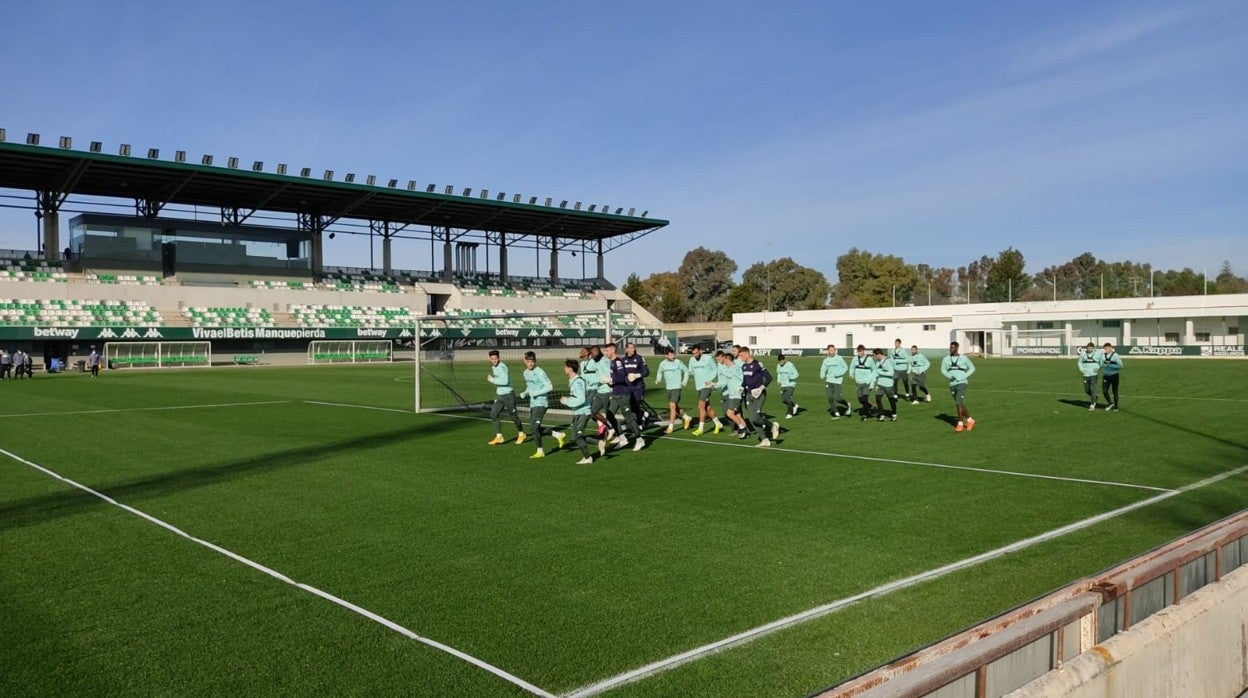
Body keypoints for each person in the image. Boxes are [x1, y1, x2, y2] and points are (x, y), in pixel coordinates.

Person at [519, 351, 565, 459]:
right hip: (533, 403)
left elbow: (549, 387)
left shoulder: (539, 372)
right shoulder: (525, 373)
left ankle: (540, 451)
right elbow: (530, 386)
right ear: (524, 361)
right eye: (528, 361)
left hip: (541, 403)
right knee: (534, 427)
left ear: (535, 361)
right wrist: (525, 392)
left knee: (534, 428)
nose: (530, 364)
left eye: (532, 361)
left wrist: (535, 393)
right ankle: (557, 435)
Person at [560, 358, 603, 464]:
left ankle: (588, 458)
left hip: (583, 412)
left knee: (577, 436)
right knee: (575, 437)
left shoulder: (578, 381)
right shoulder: (572, 380)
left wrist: (566, 401)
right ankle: (598, 443)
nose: (564, 369)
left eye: (565, 367)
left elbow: (581, 399)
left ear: (570, 369)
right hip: (577, 412)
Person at [604, 343, 644, 451]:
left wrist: (611, 380)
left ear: (613, 350)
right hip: (616, 393)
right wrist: (609, 382)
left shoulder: (617, 362)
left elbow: (622, 378)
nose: (605, 353)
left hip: (623, 394)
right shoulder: (612, 362)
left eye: (607, 351)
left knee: (628, 418)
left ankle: (639, 439)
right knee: (609, 414)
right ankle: (622, 438)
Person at [739, 346, 779, 447]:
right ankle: (765, 439)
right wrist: (741, 387)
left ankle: (772, 425)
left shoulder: (757, 364)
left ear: (747, 354)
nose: (740, 357)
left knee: (755, 417)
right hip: (748, 395)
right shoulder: (743, 366)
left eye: (742, 355)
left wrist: (761, 388)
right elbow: (745, 381)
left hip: (759, 394)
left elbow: (769, 378)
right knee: (752, 419)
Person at [485, 349, 525, 445]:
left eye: (495, 358)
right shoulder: (494, 367)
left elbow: (505, 382)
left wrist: (492, 380)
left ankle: (521, 433)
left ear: (499, 358)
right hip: (500, 396)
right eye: (492, 359)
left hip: (508, 395)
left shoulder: (503, 367)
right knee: (493, 414)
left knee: (514, 416)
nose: (494, 360)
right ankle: (499, 437)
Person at [582, 345, 617, 439]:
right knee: (593, 411)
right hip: (599, 391)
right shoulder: (596, 362)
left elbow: (610, 376)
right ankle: (610, 428)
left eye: (592, 353)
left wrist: (602, 381)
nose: (591, 355)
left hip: (607, 391)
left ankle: (618, 434)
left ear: (596, 352)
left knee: (609, 414)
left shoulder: (605, 361)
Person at [940, 341, 977, 432]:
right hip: (952, 384)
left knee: (958, 403)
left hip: (962, 382)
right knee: (959, 402)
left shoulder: (964, 358)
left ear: (957, 348)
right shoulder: (946, 359)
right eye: (950, 347)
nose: (951, 349)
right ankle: (970, 420)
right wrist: (950, 376)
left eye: (953, 347)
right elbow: (943, 370)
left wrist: (964, 376)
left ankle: (960, 423)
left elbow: (972, 368)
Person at [655, 347, 692, 433]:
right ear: (666, 355)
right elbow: (659, 372)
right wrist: (658, 379)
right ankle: (687, 418)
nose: (673, 356)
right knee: (675, 407)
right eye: (671, 355)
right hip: (668, 388)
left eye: (673, 354)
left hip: (676, 388)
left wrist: (684, 381)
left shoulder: (678, 362)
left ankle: (670, 427)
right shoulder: (662, 364)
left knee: (672, 407)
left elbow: (686, 371)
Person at [687, 345, 722, 435]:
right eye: (693, 353)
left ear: (700, 351)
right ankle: (718, 423)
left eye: (697, 353)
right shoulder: (692, 360)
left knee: (701, 406)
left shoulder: (708, 358)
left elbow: (716, 370)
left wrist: (709, 380)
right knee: (707, 407)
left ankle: (700, 429)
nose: (695, 355)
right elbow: (690, 371)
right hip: (698, 386)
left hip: (706, 386)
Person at [712, 350, 749, 435]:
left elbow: (743, 379)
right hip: (731, 395)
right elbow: (725, 381)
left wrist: (740, 388)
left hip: (737, 395)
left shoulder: (736, 368)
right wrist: (714, 385)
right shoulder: (728, 369)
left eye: (725, 360)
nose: (723, 362)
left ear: (727, 360)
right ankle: (746, 430)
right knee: (738, 415)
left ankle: (742, 428)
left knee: (729, 413)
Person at [621, 341, 658, 426]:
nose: (632, 350)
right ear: (626, 349)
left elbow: (646, 371)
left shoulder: (639, 358)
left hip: (638, 386)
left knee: (636, 404)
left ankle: (639, 423)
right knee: (630, 407)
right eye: (630, 348)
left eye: (633, 348)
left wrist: (637, 375)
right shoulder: (623, 360)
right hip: (628, 387)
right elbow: (621, 373)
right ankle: (644, 414)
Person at [819, 344, 851, 418]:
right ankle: (836, 412)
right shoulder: (826, 360)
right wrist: (822, 374)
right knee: (830, 397)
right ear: (828, 351)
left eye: (834, 350)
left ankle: (847, 404)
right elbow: (823, 368)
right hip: (828, 380)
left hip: (837, 381)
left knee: (837, 398)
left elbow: (845, 367)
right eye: (831, 350)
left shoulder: (839, 358)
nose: (832, 352)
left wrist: (839, 374)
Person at [870, 348, 899, 421]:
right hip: (880, 384)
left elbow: (891, 373)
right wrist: (871, 385)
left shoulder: (888, 361)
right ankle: (881, 415)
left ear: (879, 354)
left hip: (888, 384)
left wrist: (880, 372)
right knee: (878, 398)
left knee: (891, 400)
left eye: (874, 356)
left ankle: (894, 415)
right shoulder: (877, 363)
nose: (874, 357)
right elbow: (874, 374)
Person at [850, 344, 876, 419]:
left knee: (865, 397)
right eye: (858, 352)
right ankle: (870, 406)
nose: (859, 353)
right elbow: (852, 367)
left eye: (860, 351)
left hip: (867, 382)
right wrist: (851, 373)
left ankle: (865, 415)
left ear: (863, 351)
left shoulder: (869, 360)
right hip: (858, 382)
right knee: (860, 399)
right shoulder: (855, 359)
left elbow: (874, 370)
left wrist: (872, 383)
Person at [1077, 341, 1104, 410]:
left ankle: (1092, 405)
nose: (1090, 349)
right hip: (1086, 374)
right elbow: (1080, 362)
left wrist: (1098, 368)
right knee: (1087, 390)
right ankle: (1095, 397)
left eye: (1091, 348)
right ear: (1086, 348)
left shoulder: (1097, 354)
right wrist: (1082, 369)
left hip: (1094, 374)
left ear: (1093, 348)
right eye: (1089, 348)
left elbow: (1102, 362)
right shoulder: (1083, 354)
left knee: (1093, 388)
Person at [1100, 342, 1122, 411]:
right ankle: (1110, 403)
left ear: (1110, 348)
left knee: (1115, 391)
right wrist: (1102, 366)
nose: (1106, 350)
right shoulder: (1103, 356)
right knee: (1104, 390)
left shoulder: (1115, 356)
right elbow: (1101, 364)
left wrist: (1110, 366)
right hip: (1106, 376)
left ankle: (1116, 406)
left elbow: (1120, 365)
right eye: (1105, 349)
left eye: (1107, 348)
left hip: (1114, 376)